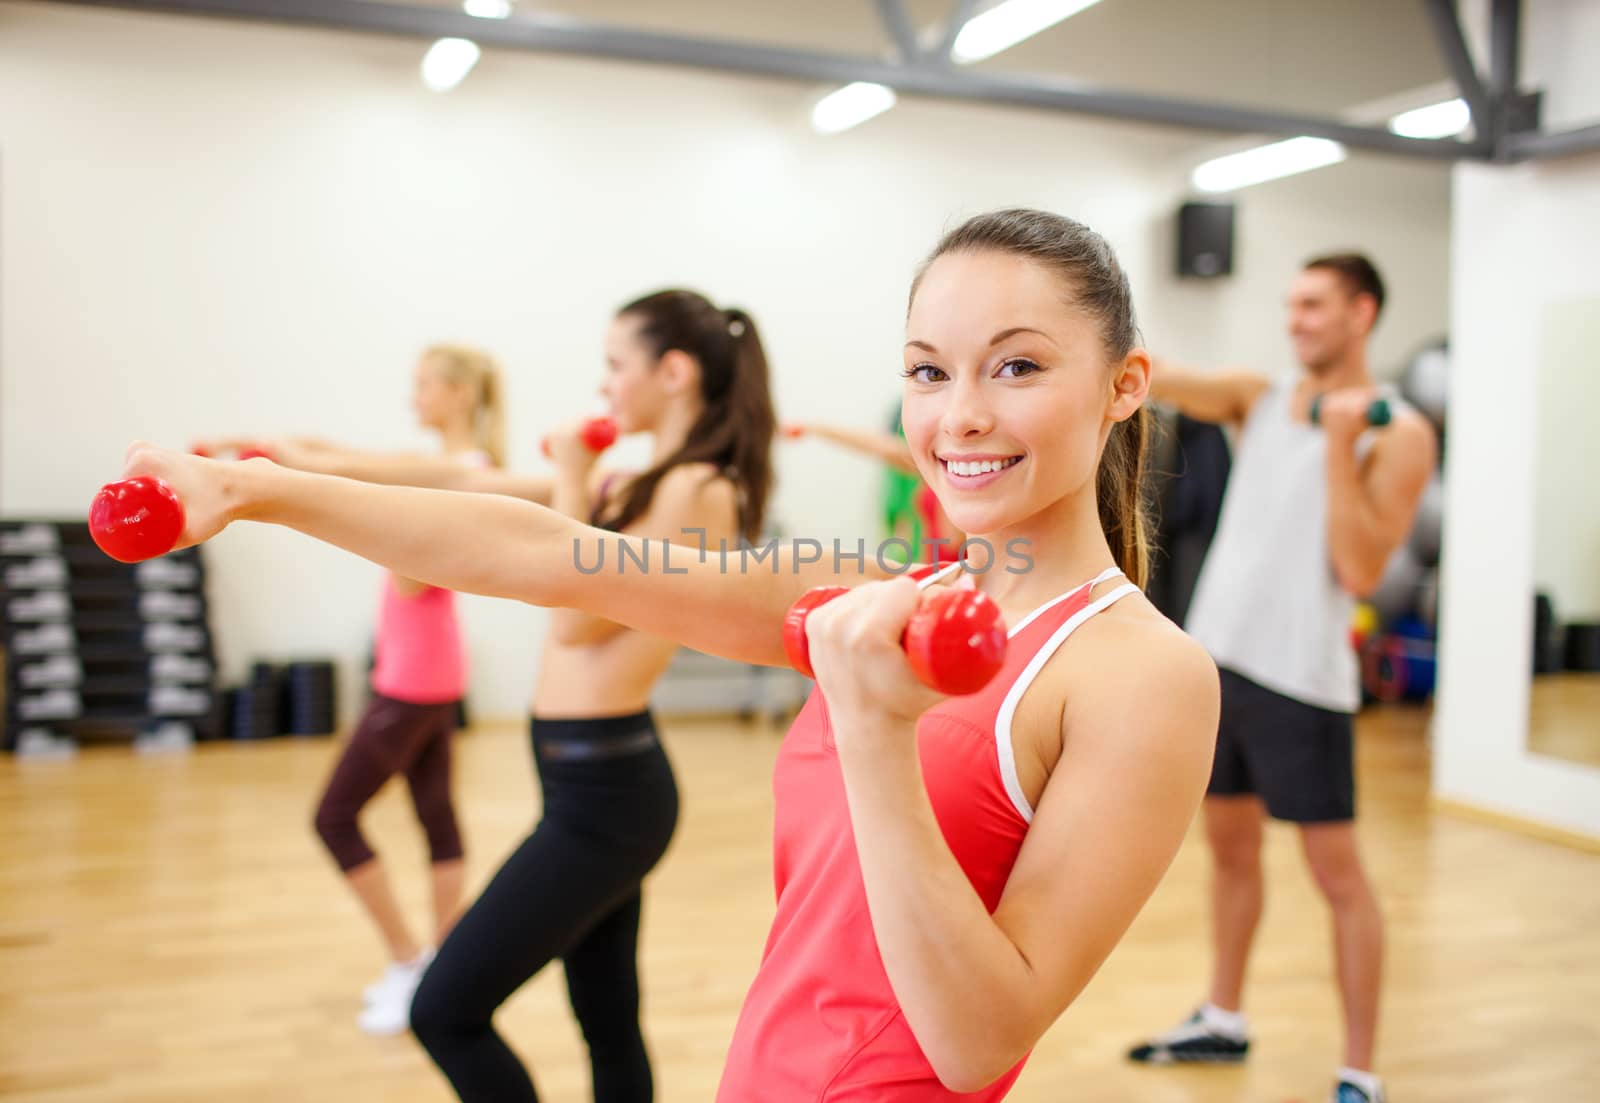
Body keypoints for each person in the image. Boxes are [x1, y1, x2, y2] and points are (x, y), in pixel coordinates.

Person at [117, 208, 1218, 1101]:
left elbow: (978, 1040)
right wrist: (256, 489)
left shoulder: (1141, 675)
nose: (961, 415)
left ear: (1125, 384)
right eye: (929, 373)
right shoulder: (879, 589)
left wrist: (876, 732)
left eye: (1016, 367)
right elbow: (555, 554)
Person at [1125, 254, 1437, 1103]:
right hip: (1218, 663)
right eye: (1292, 304)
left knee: (1338, 876)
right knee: (1229, 851)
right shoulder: (1258, 398)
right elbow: (1164, 377)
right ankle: (1224, 1018)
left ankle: (1359, 1071)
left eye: (1314, 304)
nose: (1296, 318)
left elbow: (1362, 568)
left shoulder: (1397, 430)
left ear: (1361, 313)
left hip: (1303, 681)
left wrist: (1339, 441)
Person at [202, 344, 505, 1034]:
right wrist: (252, 449)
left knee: (334, 817)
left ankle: (409, 962)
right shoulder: (440, 466)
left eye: (424, 384)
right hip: (428, 671)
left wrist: (354, 506)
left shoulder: (463, 471)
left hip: (414, 679)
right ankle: (440, 966)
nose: (414, 396)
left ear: (460, 394)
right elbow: (342, 453)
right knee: (436, 814)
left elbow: (413, 574)